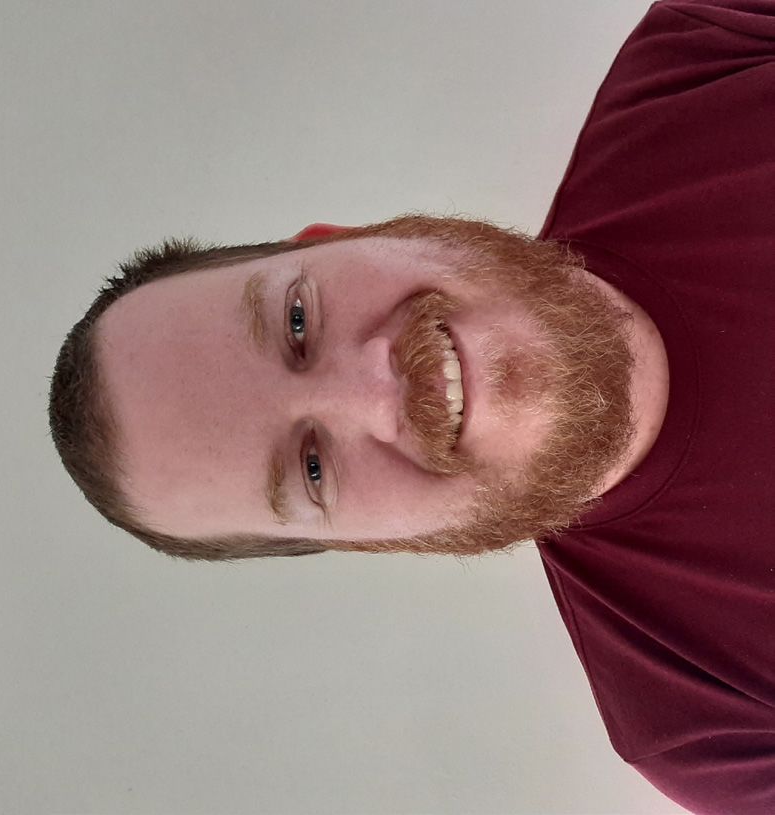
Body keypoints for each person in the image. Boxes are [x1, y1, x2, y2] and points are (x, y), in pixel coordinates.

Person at [48, 1, 774, 812]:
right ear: (365, 541)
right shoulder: (707, 720)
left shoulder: (709, 45)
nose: (374, 390)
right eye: (312, 468)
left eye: (297, 321)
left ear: (335, 236)